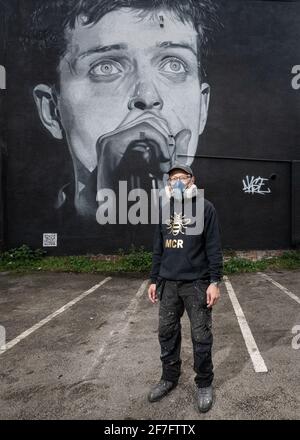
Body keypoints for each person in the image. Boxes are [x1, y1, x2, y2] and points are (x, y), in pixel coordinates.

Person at [27, 0, 217, 221]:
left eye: (174, 64)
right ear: (52, 111)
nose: (147, 97)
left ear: (203, 108)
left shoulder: (214, 219)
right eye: (105, 66)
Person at [147, 162, 223, 413]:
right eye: (172, 179)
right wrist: (154, 280)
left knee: (201, 336)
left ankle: (204, 383)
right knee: (166, 333)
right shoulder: (164, 209)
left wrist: (214, 282)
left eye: (182, 177)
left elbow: (213, 247)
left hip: (197, 283)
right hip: (168, 283)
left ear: (192, 180)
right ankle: (169, 378)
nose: (177, 182)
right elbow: (158, 248)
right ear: (168, 184)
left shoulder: (206, 208)